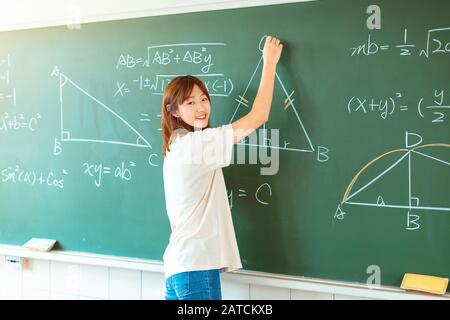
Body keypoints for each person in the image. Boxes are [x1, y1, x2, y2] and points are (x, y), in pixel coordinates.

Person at [161, 36, 283, 300]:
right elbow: (259, 116)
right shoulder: (196, 144)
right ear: (174, 111)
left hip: (179, 268)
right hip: (196, 268)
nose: (201, 107)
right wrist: (270, 63)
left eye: (203, 99)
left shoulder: (176, 144)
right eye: (190, 103)